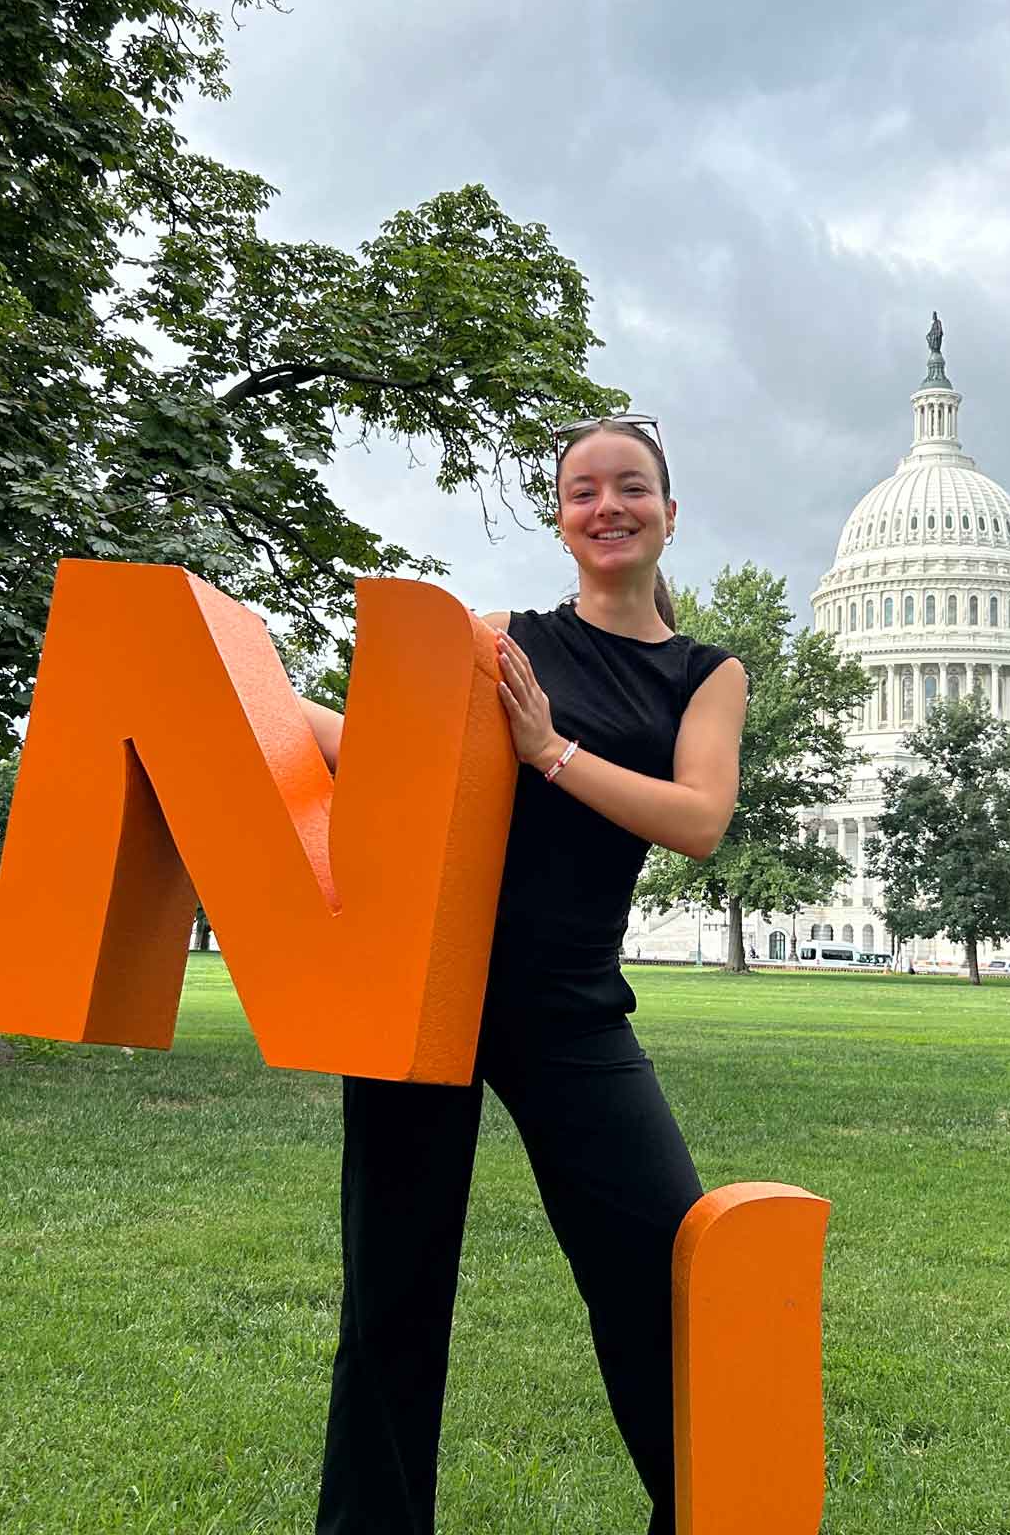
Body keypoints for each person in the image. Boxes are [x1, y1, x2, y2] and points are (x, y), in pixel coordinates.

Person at [297, 413, 748, 1535]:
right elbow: (392, 756)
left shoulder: (707, 673)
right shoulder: (498, 637)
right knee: (391, 1294)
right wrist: (249, 705)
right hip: (426, 980)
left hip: (569, 1006)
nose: (608, 506)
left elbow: (699, 819)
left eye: (630, 486)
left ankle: (704, 1509)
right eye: (583, 491)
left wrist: (551, 751)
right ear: (561, 519)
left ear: (668, 513)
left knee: (662, 1265)